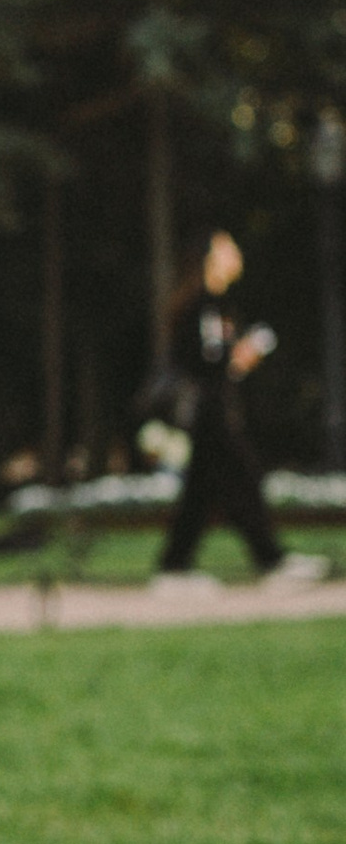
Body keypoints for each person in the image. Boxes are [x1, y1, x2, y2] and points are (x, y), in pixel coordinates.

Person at [152, 233, 326, 589]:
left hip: (213, 411)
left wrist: (236, 359)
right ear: (210, 260)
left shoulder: (216, 304)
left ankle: (174, 567)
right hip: (208, 413)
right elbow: (200, 362)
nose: (236, 254)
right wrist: (237, 357)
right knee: (244, 480)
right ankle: (271, 560)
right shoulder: (201, 305)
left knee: (201, 494)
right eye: (227, 248)